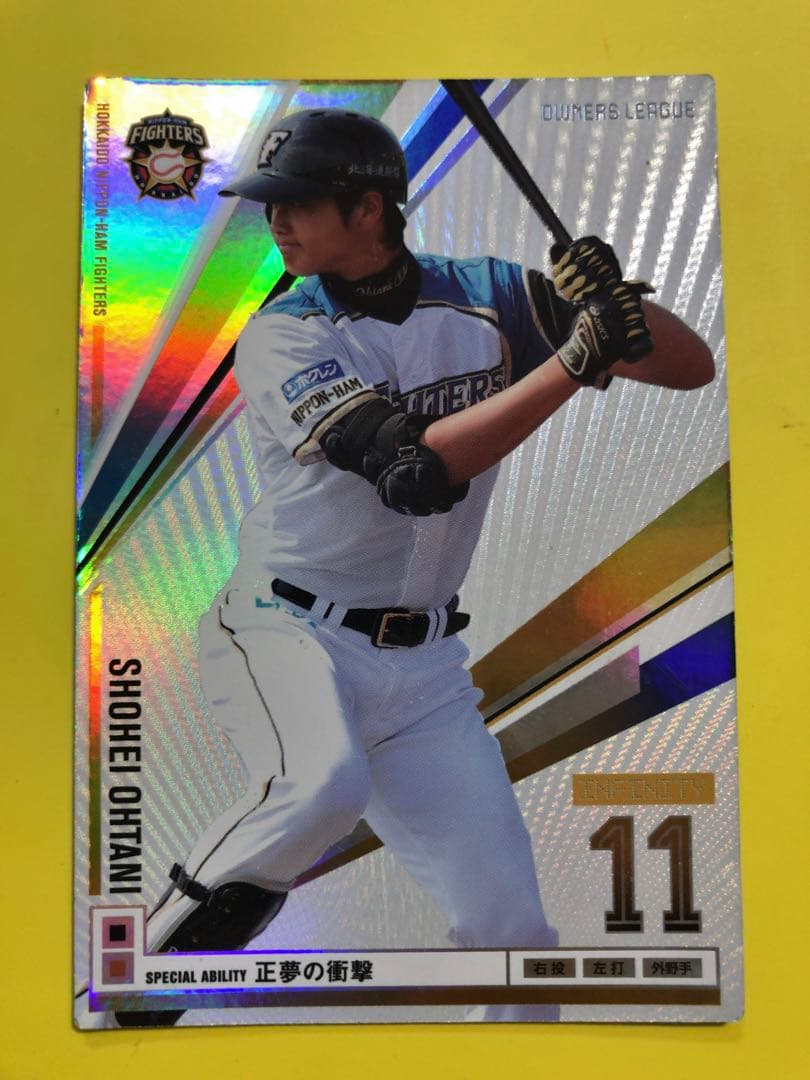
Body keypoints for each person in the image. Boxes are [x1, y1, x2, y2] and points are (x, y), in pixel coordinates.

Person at [114, 107, 714, 1026]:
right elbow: (415, 475)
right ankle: (136, 986)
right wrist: (572, 361)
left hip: (424, 673)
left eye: (297, 201)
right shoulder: (284, 332)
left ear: (368, 209)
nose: (274, 220)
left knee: (516, 941)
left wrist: (612, 305)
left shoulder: (489, 293)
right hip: (287, 629)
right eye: (270, 202)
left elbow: (687, 365)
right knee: (322, 786)